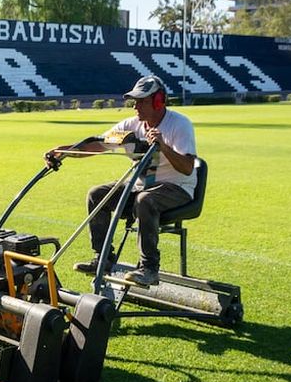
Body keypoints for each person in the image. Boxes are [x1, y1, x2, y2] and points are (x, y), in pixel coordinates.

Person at [45, 75, 197, 286]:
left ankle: (149, 268)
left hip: (177, 187)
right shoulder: (130, 125)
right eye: (134, 101)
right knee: (97, 194)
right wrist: (63, 151)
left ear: (158, 101)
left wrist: (163, 146)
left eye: (142, 101)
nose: (135, 106)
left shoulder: (179, 124)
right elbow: (97, 145)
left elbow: (188, 168)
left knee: (145, 200)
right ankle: (103, 258)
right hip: (141, 186)